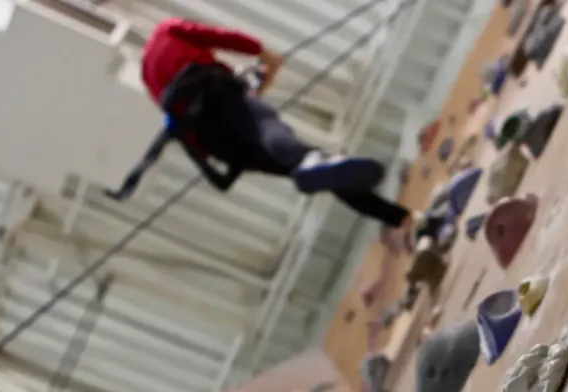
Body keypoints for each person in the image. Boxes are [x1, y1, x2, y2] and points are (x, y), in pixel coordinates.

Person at [107, 18, 413, 234]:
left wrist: (251, 90)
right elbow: (220, 37)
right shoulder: (165, 31)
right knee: (270, 126)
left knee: (317, 170)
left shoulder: (151, 83)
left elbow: (201, 120)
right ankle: (311, 163)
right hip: (224, 100)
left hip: (219, 146)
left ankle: (403, 220)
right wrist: (262, 53)